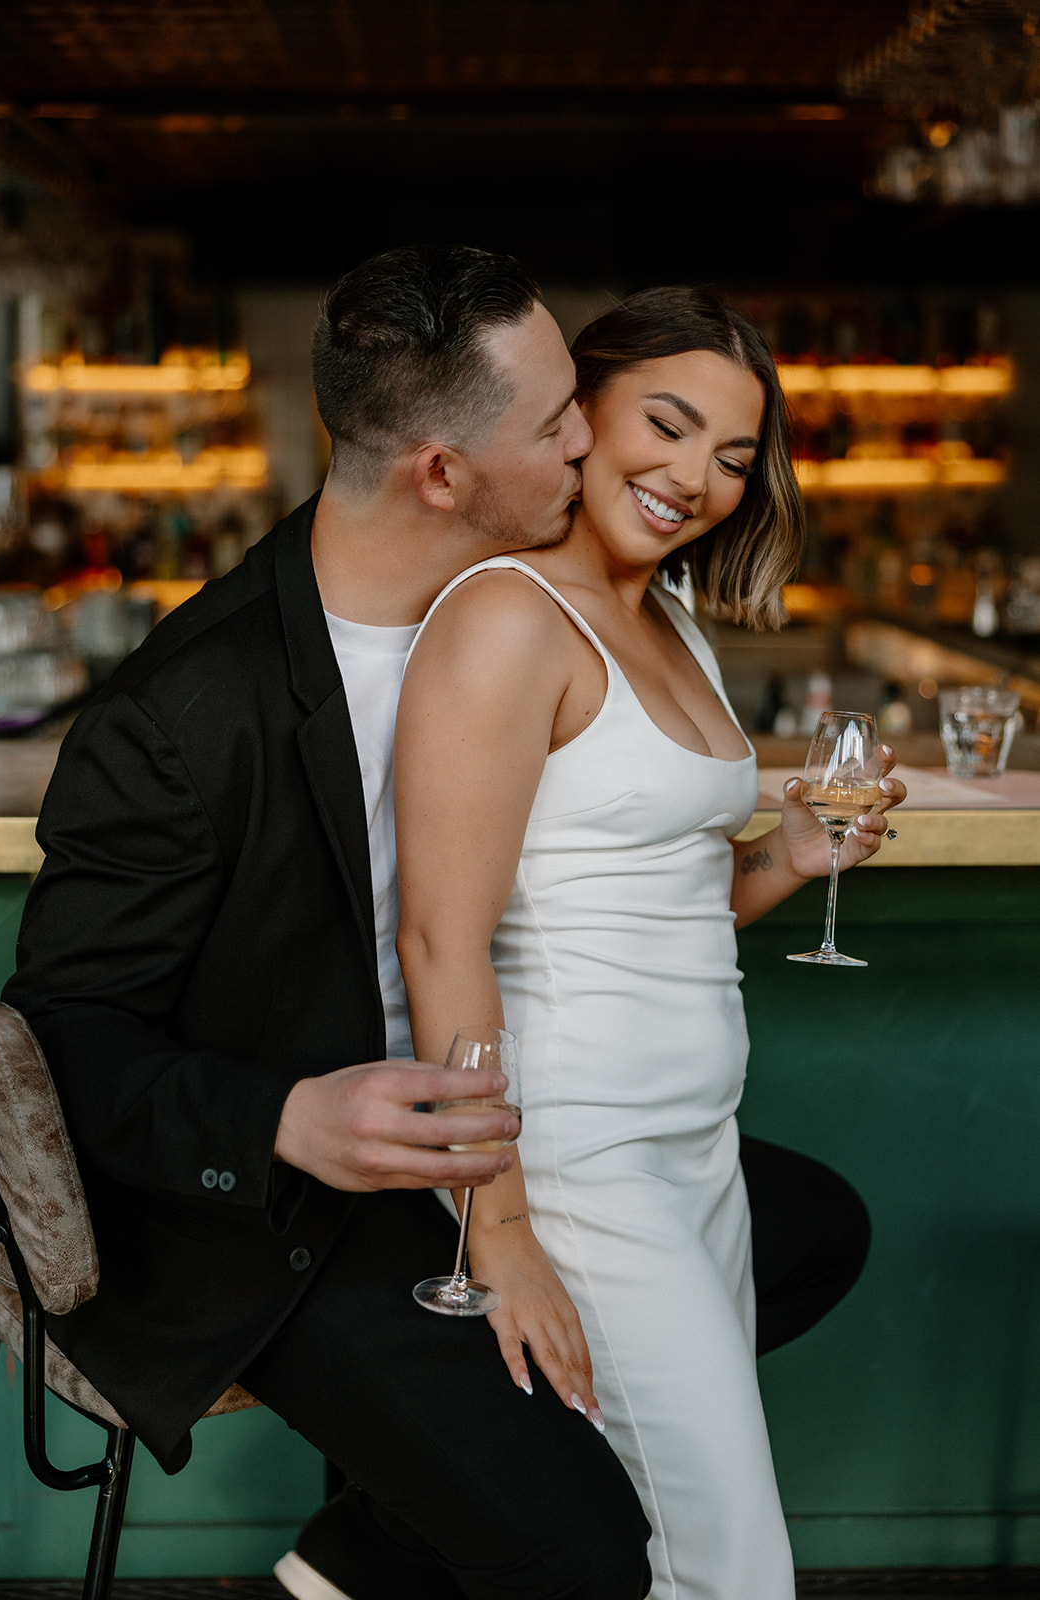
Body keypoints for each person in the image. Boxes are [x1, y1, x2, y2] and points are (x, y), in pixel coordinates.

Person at [1, 244, 654, 1600]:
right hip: (289, 1233)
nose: (589, 439)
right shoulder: (180, 713)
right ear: (440, 472)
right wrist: (285, 1117)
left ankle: (353, 1564)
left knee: (810, 1230)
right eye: (553, 422)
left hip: (487, 1171)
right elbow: (66, 1038)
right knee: (583, 1555)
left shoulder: (527, 613)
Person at [392, 285, 906, 1599]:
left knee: (649, 1559)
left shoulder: (670, 619)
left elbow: (659, 911)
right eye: (667, 426)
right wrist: (495, 1222)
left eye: (734, 456)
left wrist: (788, 860)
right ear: (579, 414)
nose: (697, 477)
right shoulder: (507, 617)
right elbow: (440, 940)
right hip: (576, 1165)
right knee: (725, 1567)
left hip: (694, 1153)